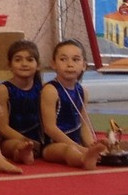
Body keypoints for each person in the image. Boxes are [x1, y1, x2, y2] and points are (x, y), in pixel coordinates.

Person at [41, 40, 106, 169]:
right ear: (53, 64)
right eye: (63, 59)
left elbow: (83, 125)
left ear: (84, 66)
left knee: (103, 145)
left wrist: (91, 145)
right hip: (52, 145)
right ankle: (83, 160)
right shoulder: (50, 90)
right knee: (68, 151)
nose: (70, 64)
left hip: (77, 142)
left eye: (76, 60)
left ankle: (89, 155)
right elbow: (50, 128)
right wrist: (81, 149)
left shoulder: (82, 92)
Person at [0, 40, 46, 164]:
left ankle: (26, 151)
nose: (24, 64)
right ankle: (22, 153)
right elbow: (3, 127)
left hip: (40, 140)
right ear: (10, 65)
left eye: (29, 60)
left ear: (38, 65)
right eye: (18, 60)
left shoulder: (43, 88)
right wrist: (26, 141)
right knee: (12, 145)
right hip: (12, 138)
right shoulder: (3, 90)